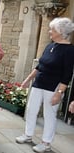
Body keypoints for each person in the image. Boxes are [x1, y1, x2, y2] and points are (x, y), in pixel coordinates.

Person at [15, 17, 74, 153]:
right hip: (38, 84)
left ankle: (46, 143)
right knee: (31, 110)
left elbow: (67, 74)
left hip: (53, 87)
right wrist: (28, 80)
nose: (49, 32)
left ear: (61, 32)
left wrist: (59, 93)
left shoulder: (69, 50)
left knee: (49, 115)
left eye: (52, 29)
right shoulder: (49, 46)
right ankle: (28, 135)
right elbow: (40, 66)